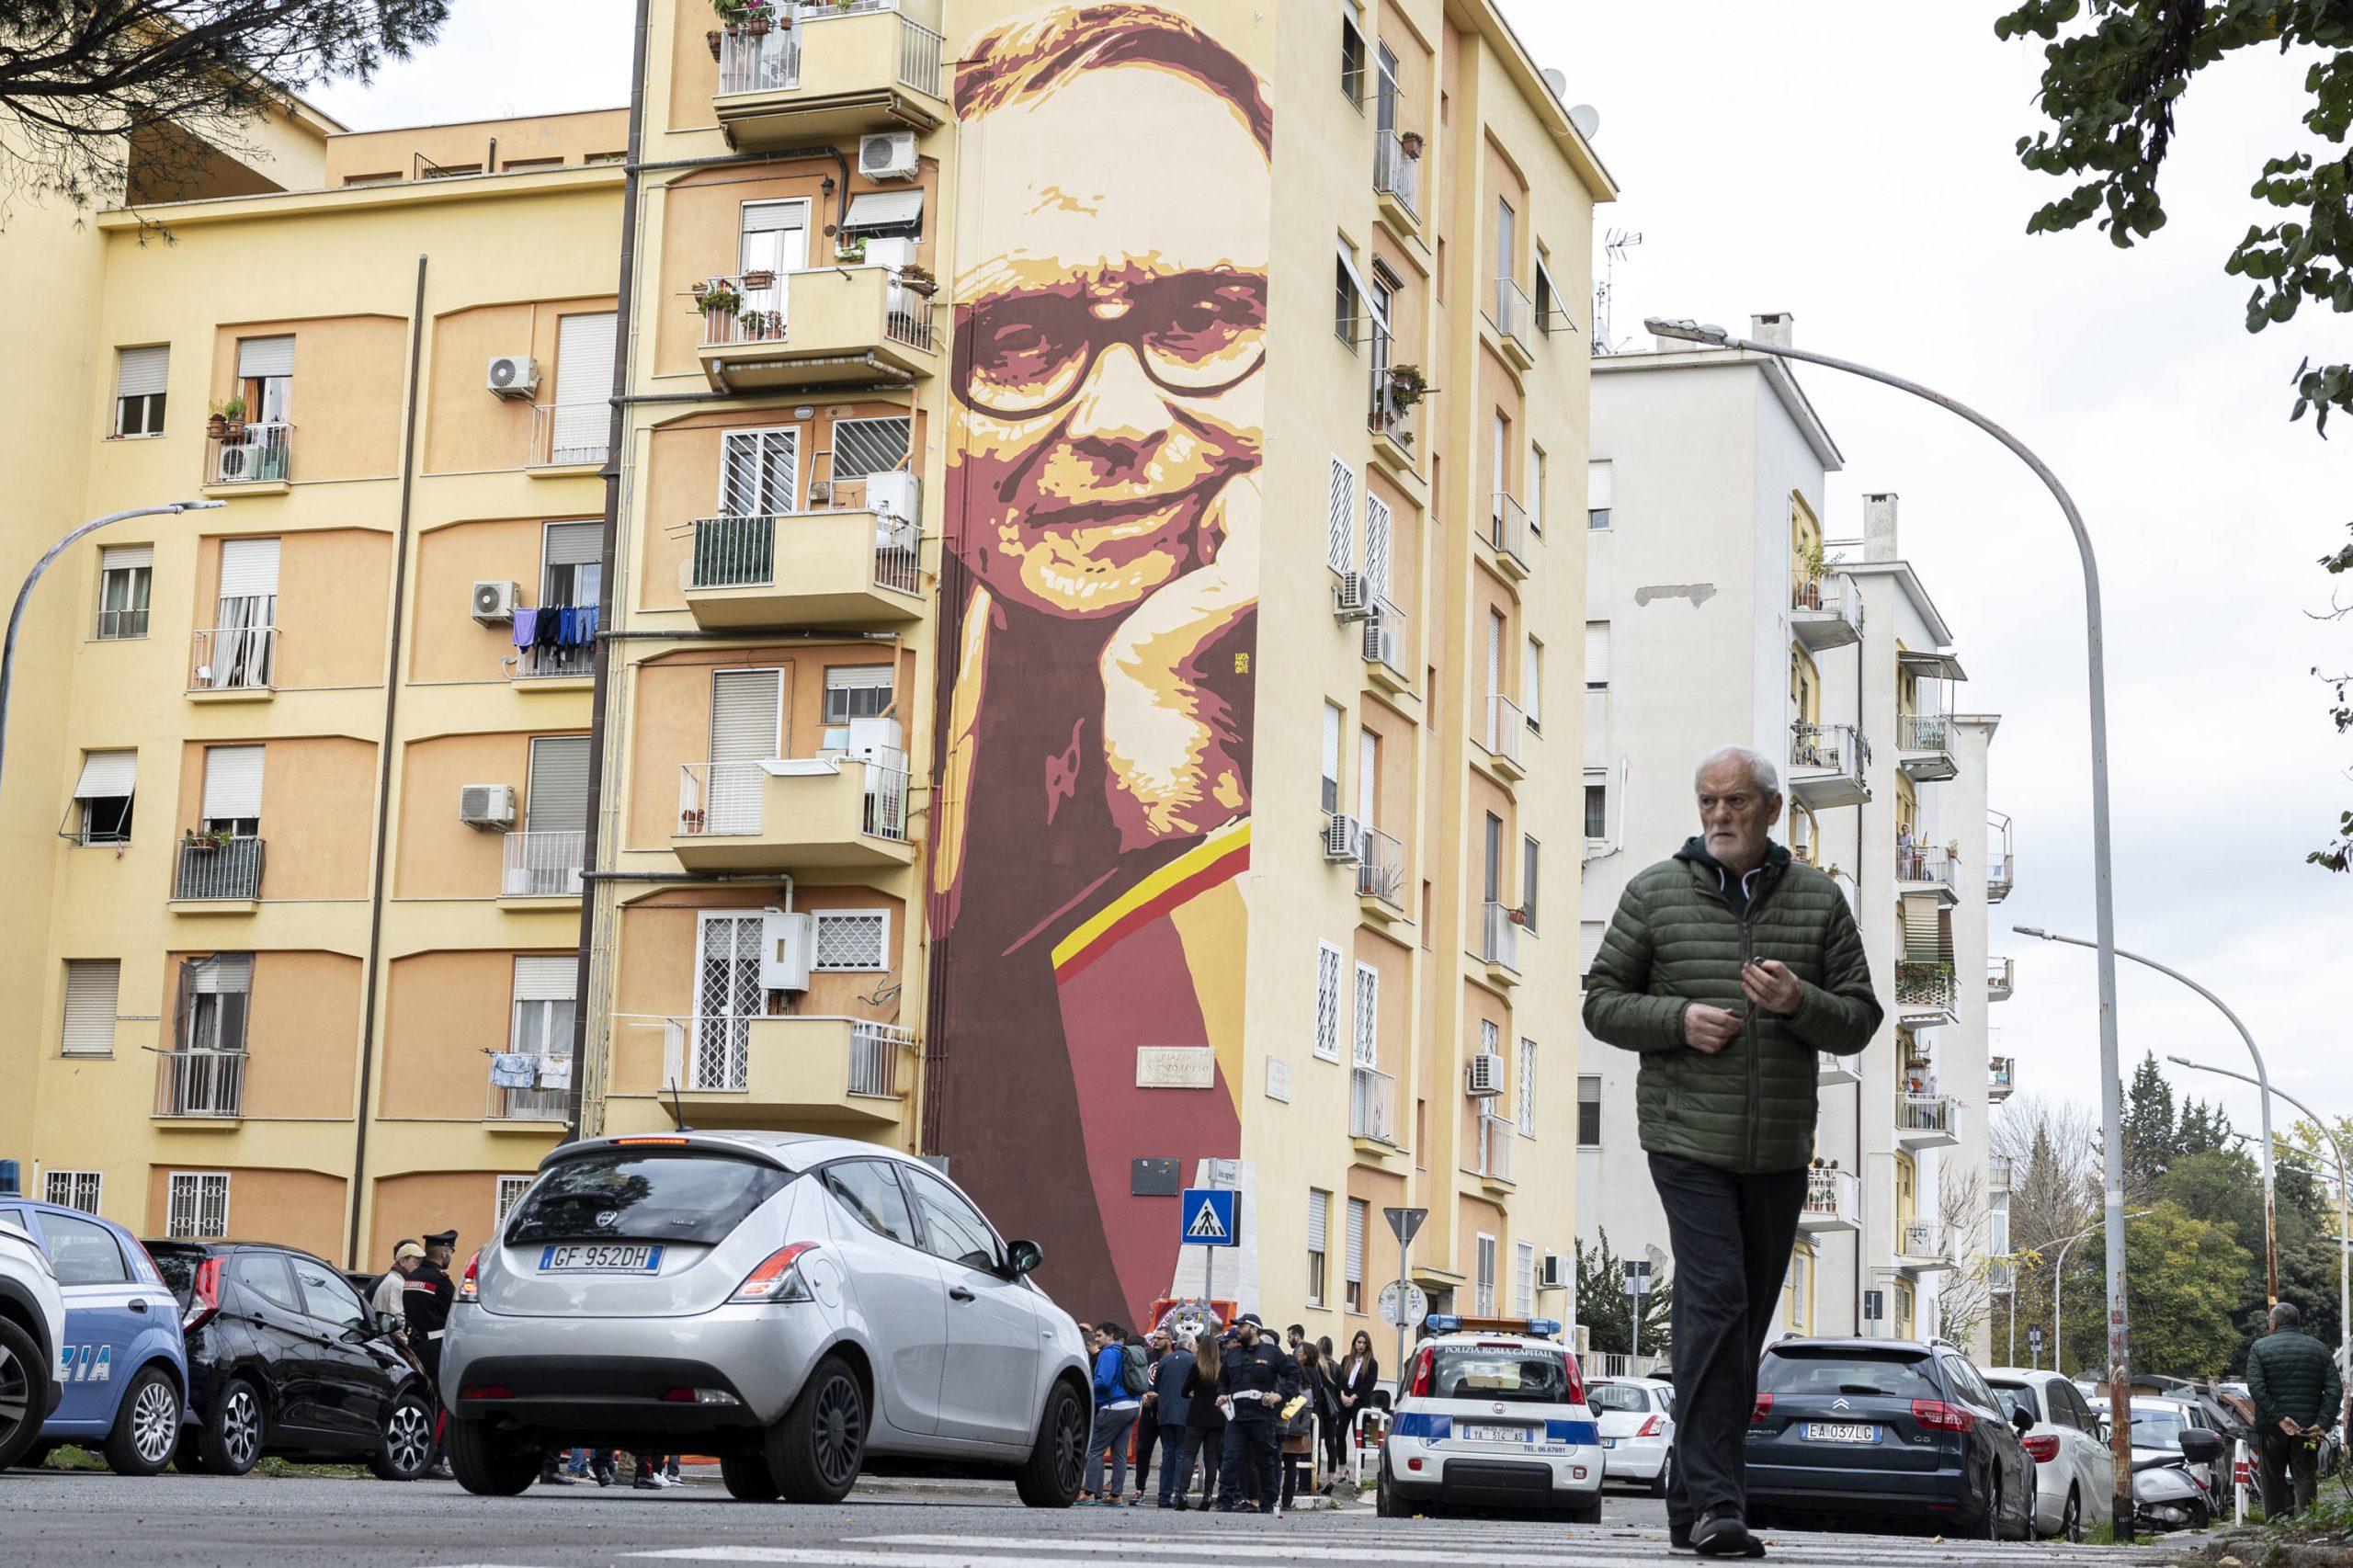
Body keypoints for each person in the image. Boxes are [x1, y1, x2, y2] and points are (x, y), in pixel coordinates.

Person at [934, 2, 1274, 1320]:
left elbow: (1164, 1273)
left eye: (1202, 321)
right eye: (1019, 343)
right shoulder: (936, 748)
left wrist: (1176, 743)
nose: (1124, 421)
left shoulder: (1244, 704)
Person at [1584, 745, 1881, 1559]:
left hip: (1781, 1148)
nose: (1719, 815)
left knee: (1735, 1324)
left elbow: (1860, 1017)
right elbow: (1602, 1003)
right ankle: (1720, 1504)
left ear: (1772, 811)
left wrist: (1799, 1001)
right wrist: (1677, 1021)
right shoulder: (1654, 893)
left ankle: (1692, 1503)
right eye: (1708, 800)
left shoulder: (1819, 901)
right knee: (1716, 1301)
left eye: (1737, 801)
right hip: (1686, 1139)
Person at [2247, 1301, 2343, 1519]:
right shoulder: (2319, 1349)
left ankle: (2275, 1526)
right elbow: (2334, 1389)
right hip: (2308, 1430)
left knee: (2272, 1478)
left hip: (2272, 1429)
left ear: (2273, 1323)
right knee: (2306, 1475)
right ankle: (2307, 1524)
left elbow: (2256, 1389)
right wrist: (2322, 1423)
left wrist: (2280, 1419)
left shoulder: (2259, 1348)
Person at [1216, 1313, 1299, 1515]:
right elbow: (1222, 1381)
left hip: (1262, 1416)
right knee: (1230, 1459)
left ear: (1253, 1329)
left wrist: (1280, 1395)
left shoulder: (1272, 1353)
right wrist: (1221, 1395)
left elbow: (1293, 1374)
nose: (1237, 1329)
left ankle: (1268, 1503)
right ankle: (1224, 1503)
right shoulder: (1232, 1354)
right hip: (1237, 1417)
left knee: (1265, 1460)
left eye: (1241, 1326)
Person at [405, 1228, 460, 1479]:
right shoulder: (441, 1281)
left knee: (424, 1403)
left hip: (415, 1346)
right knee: (442, 1405)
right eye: (451, 1250)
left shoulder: (412, 1276)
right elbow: (456, 1313)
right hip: (438, 1349)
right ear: (444, 1251)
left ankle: (417, 1456)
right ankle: (434, 1460)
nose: (451, 1255)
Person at [1083, 1320, 1143, 1504]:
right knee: (1119, 1454)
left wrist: (1087, 1386)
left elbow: (1105, 1381)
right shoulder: (1123, 1351)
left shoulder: (1108, 1353)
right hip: (1132, 1406)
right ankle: (1116, 1495)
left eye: (1100, 1335)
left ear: (1111, 1336)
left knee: (1094, 1450)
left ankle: (1088, 1494)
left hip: (1114, 1407)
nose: (1097, 1338)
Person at [1177, 1331, 1226, 1511]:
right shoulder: (1221, 1369)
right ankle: (1207, 1497)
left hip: (1196, 1416)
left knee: (1189, 1455)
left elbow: (1184, 1391)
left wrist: (1194, 1393)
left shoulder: (1196, 1368)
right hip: (1216, 1418)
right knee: (1211, 1457)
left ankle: (1182, 1494)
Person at [1149, 1330, 1195, 1507]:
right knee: (1181, 1455)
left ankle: (1163, 1497)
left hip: (1165, 1414)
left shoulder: (1163, 1361)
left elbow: (1157, 1387)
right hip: (1185, 1415)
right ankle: (1179, 1495)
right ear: (1190, 1345)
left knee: (1168, 1455)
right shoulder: (1193, 1361)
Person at [1279, 1341, 1325, 1508]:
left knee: (1277, 1464)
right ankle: (1287, 1503)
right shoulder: (1307, 1386)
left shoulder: (1285, 1385)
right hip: (1301, 1433)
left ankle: (1274, 1499)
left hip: (1283, 1429)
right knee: (1291, 1467)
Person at [1131, 1330, 1173, 1504]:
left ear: (1169, 1341)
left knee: (1169, 1453)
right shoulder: (1148, 1358)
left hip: (1167, 1411)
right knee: (1142, 1451)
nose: (1155, 1341)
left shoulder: (1174, 1358)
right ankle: (1139, 1489)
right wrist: (1143, 1394)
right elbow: (1139, 1379)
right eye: (1154, 1338)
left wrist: (1160, 1395)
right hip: (1148, 1411)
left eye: (1159, 1338)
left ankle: (1167, 1491)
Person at [369, 1240, 420, 1324]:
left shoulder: (391, 1279)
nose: (418, 1267)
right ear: (403, 1261)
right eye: (416, 1262)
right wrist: (404, 1338)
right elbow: (397, 1321)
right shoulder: (398, 1284)